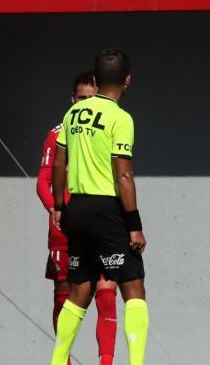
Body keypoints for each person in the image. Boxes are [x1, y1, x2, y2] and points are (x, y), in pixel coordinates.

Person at [50, 50, 148, 365]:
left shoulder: (73, 114)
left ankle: (57, 360)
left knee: (79, 291)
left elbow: (59, 161)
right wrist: (133, 222)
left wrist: (59, 205)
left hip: (76, 208)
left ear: (95, 80)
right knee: (133, 287)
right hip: (106, 210)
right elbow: (123, 174)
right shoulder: (121, 118)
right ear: (128, 81)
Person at [37, 72, 118, 365]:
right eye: (81, 98)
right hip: (66, 230)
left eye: (91, 98)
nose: (86, 103)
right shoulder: (58, 132)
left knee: (107, 293)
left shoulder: (111, 127)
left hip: (102, 226)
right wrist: (55, 209)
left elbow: (122, 178)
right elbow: (43, 181)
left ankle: (106, 361)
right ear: (72, 100)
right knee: (65, 296)